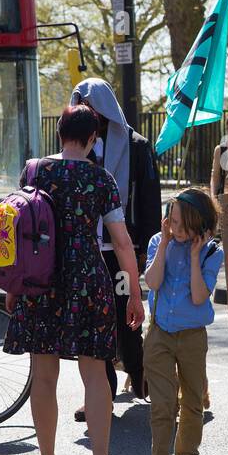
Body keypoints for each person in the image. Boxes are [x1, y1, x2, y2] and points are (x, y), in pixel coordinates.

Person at [3, 104, 145, 455]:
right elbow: (121, 241)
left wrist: (13, 286)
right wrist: (134, 290)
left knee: (44, 374)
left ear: (60, 133)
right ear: (93, 139)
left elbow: (20, 228)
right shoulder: (102, 180)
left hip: (40, 278)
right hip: (87, 278)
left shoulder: (35, 171)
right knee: (95, 372)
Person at [70, 79, 162, 403]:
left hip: (124, 248)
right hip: (86, 251)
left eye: (92, 106)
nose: (88, 112)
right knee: (95, 322)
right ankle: (101, 392)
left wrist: (147, 249)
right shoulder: (77, 148)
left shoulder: (136, 145)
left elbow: (150, 200)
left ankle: (139, 376)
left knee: (127, 317)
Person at [141, 188, 226, 455]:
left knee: (193, 401)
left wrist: (193, 257)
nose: (175, 229)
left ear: (201, 226)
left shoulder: (211, 252)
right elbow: (151, 282)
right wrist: (164, 243)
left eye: (182, 225)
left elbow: (200, 295)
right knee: (163, 403)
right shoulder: (158, 241)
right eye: (172, 221)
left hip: (192, 337)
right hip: (160, 334)